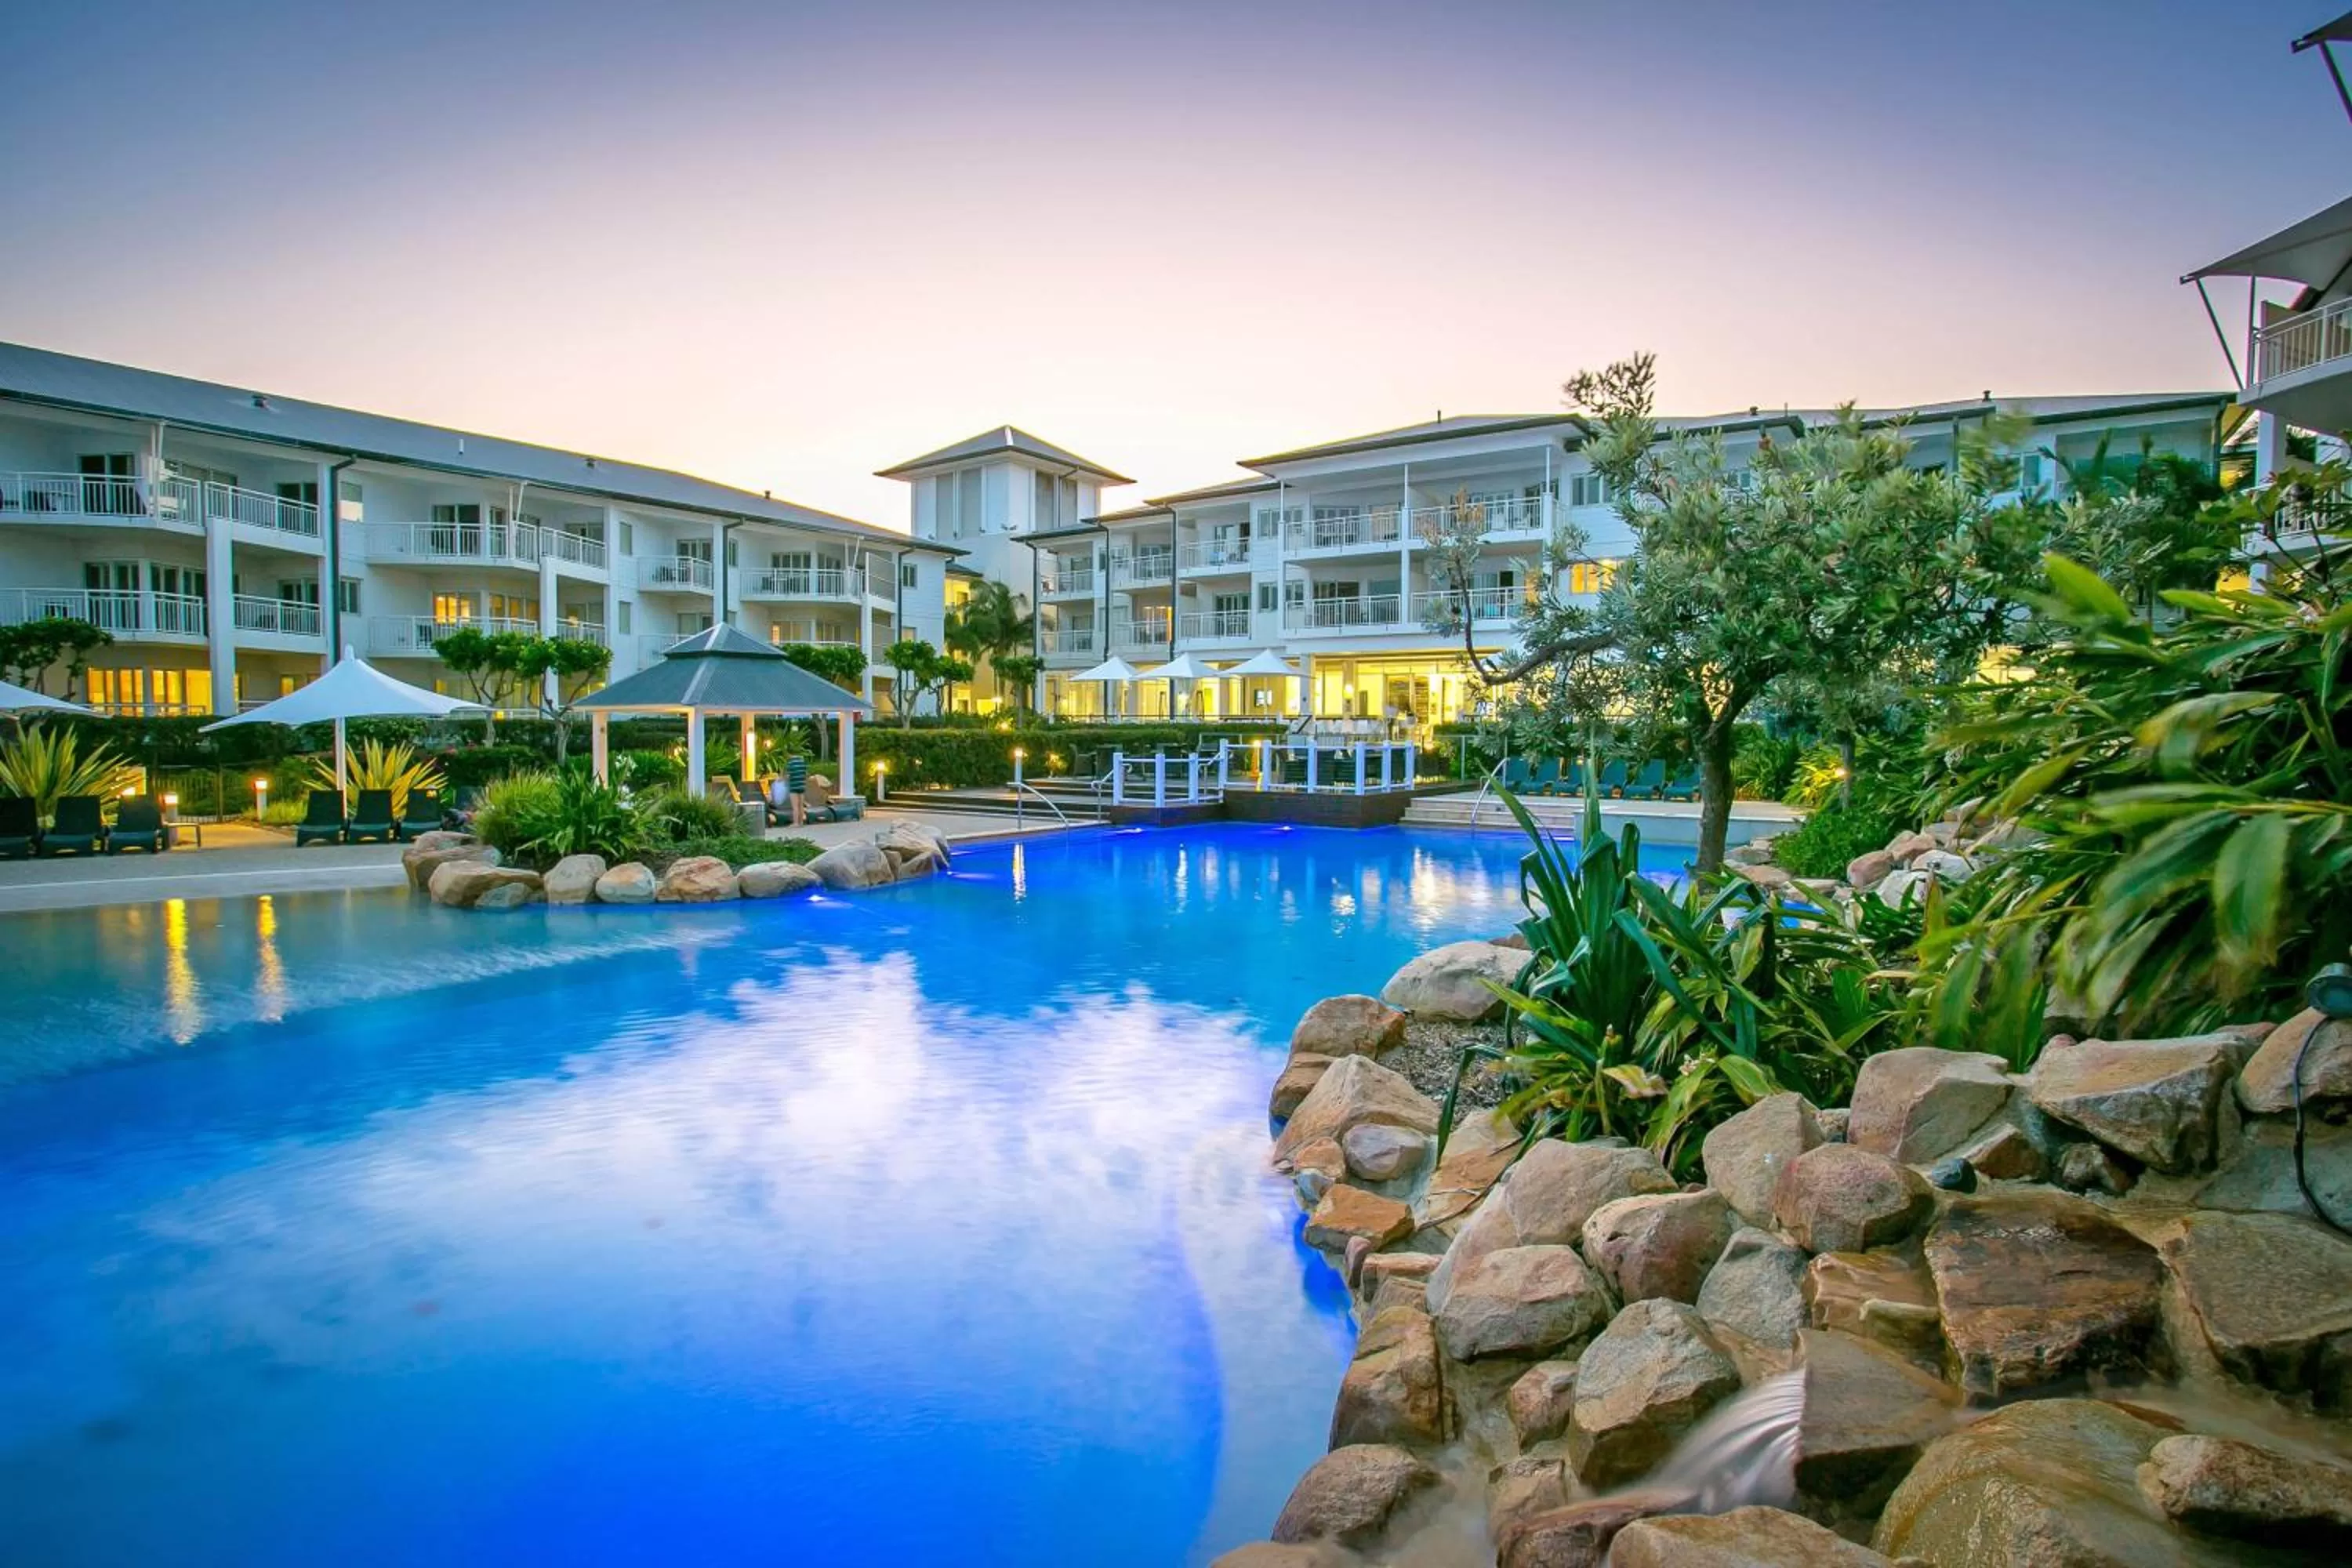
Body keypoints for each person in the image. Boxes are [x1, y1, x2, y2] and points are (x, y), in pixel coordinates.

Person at [784, 751, 809, 826]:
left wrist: (783, 779)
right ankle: (801, 822)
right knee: (801, 805)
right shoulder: (802, 762)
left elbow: (788, 776)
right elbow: (806, 774)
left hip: (794, 786)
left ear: (789, 754)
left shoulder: (790, 763)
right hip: (802, 786)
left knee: (795, 806)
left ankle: (795, 823)